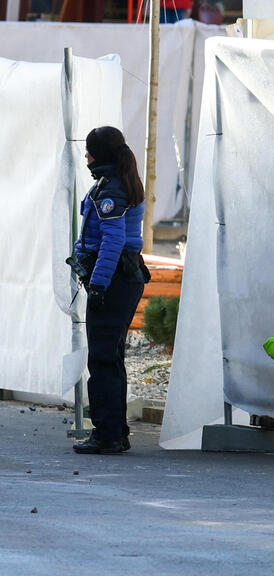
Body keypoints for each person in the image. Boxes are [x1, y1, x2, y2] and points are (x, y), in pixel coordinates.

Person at [72, 127, 149, 454]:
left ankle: (106, 436)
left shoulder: (111, 190)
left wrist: (99, 284)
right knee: (111, 357)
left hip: (114, 279)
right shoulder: (115, 182)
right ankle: (116, 432)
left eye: (90, 152)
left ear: (100, 154)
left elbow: (112, 241)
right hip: (122, 277)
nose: (86, 157)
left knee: (102, 360)